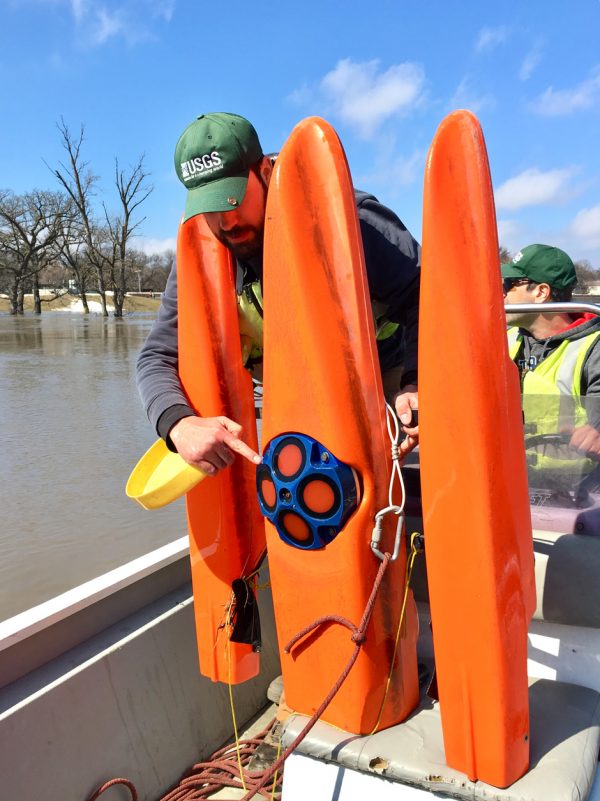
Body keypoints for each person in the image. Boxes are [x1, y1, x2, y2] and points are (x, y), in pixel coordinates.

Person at [137, 112, 421, 476]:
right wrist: (178, 424)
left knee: (405, 483)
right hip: (293, 392)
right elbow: (155, 356)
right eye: (210, 207)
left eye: (232, 199)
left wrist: (417, 382)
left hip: (384, 376)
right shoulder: (202, 254)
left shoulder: (353, 219)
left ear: (265, 171)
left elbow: (424, 295)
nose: (226, 222)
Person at [502, 243, 600, 471]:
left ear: (541, 293)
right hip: (512, 478)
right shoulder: (505, 339)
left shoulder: (593, 348)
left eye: (509, 285)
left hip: (579, 491)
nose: (502, 293)